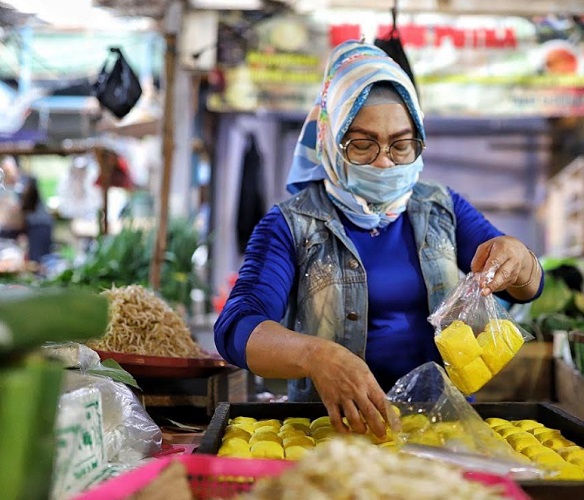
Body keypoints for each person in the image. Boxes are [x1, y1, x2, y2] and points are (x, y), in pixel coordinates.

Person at [214, 40, 544, 437]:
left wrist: (520, 259)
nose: (385, 161)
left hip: (440, 426)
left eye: (402, 145)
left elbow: (524, 289)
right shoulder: (291, 223)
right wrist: (315, 356)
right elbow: (236, 327)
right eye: (363, 145)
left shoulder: (440, 207)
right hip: (332, 430)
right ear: (330, 141)